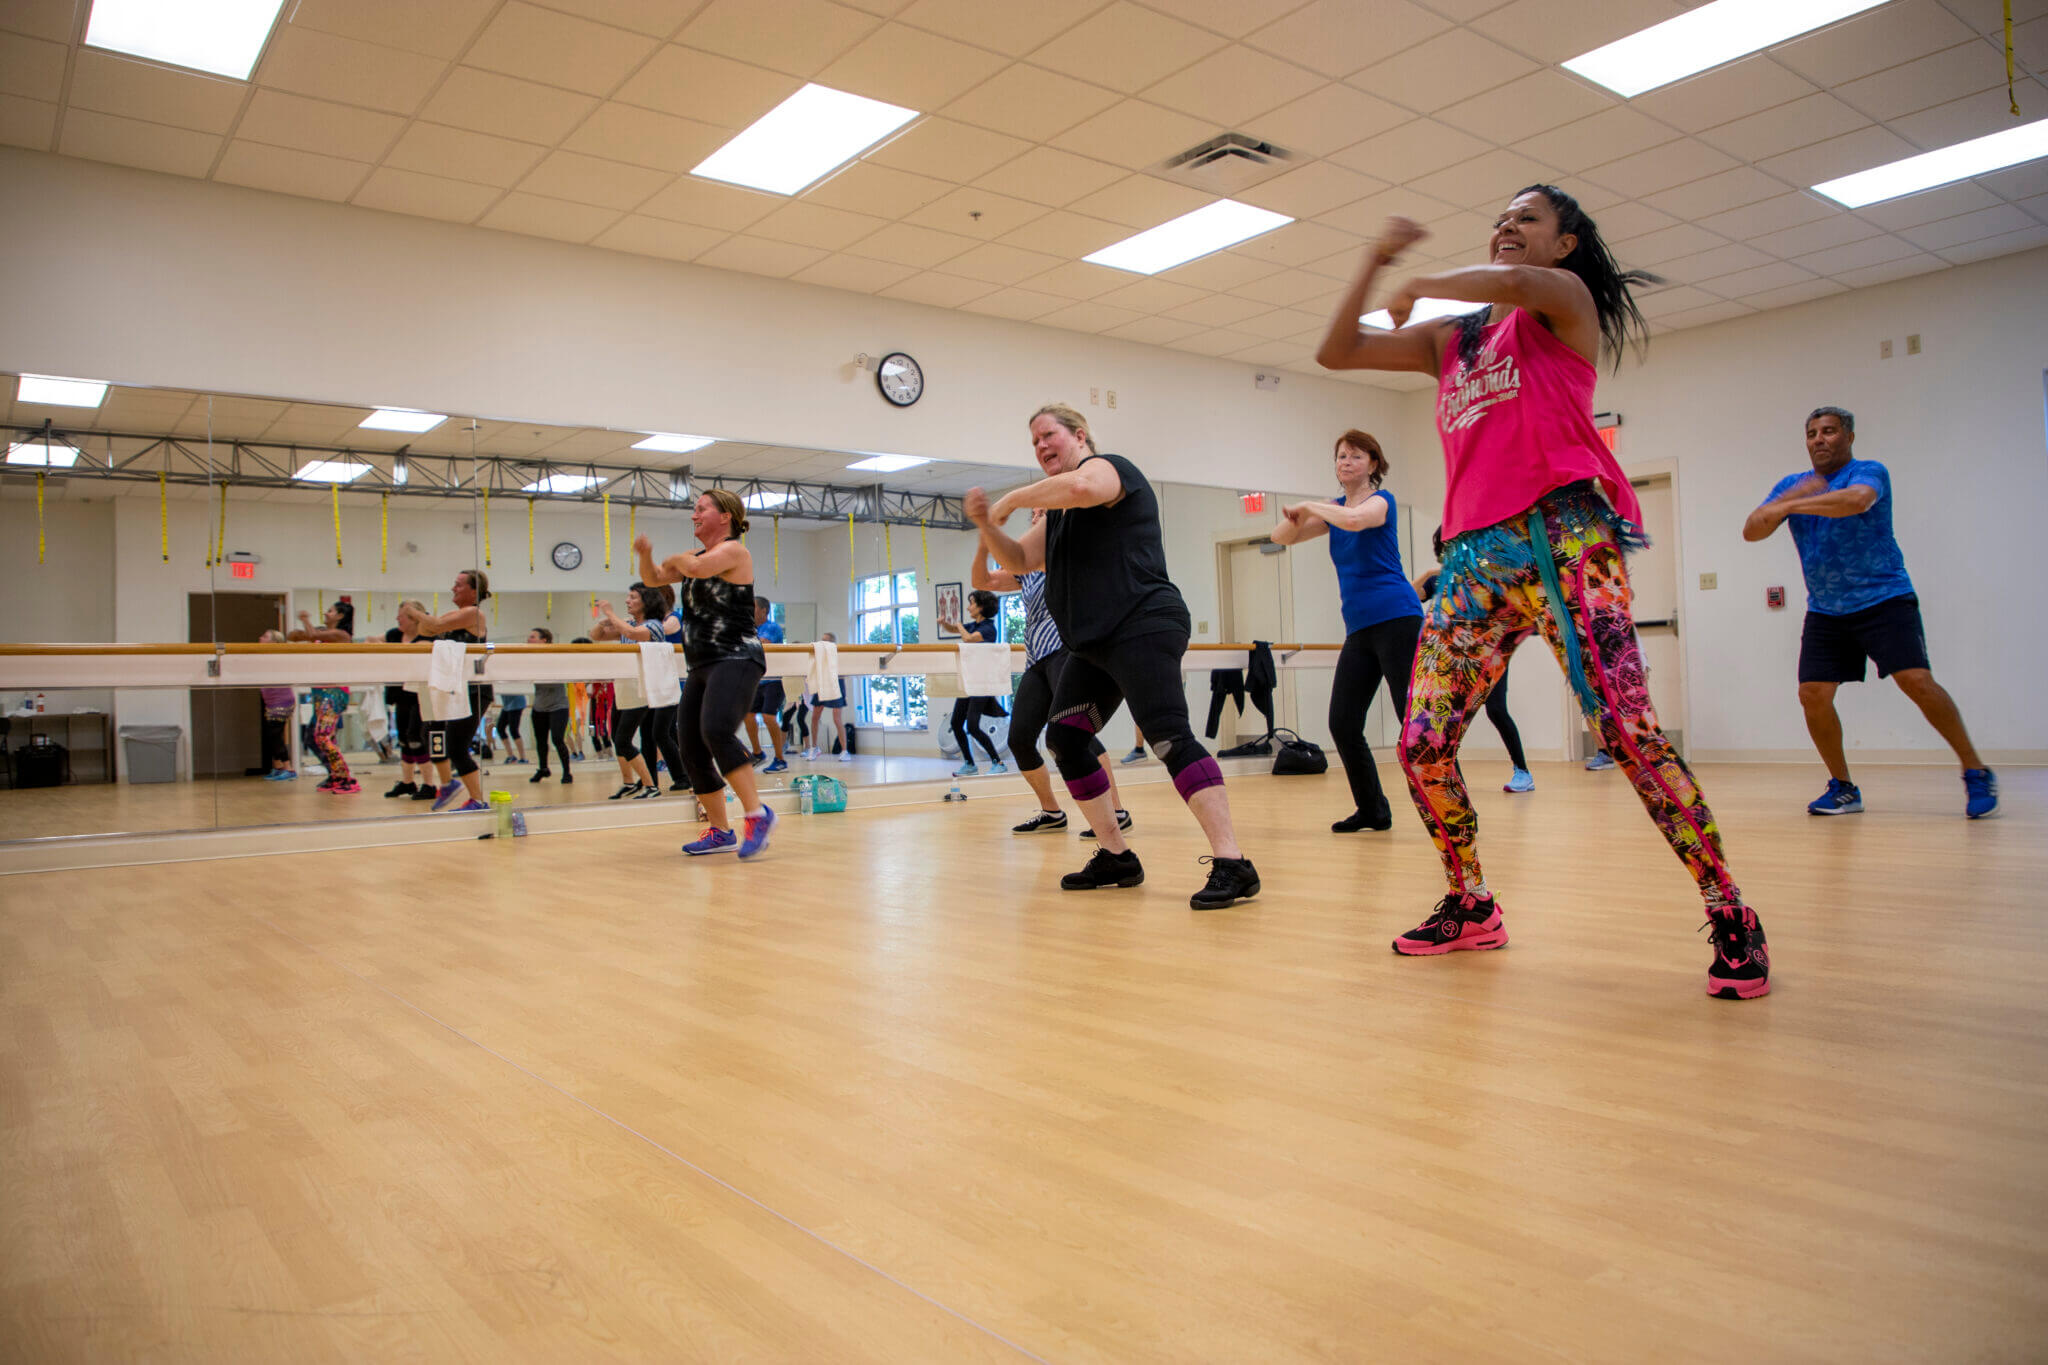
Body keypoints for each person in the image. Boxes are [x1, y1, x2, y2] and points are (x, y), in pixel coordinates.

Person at [1317, 187, 1769, 999]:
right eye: (1500, 218)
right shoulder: (1450, 343)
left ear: (1564, 244)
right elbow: (1336, 350)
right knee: (1420, 746)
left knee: (1627, 733)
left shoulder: (1564, 304)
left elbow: (1519, 287)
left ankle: (1729, 906)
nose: (1507, 227)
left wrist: (1426, 283)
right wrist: (1376, 261)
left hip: (1564, 536)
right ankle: (1471, 901)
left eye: (1527, 219)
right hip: (1471, 560)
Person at [967, 403, 1260, 910]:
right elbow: (1017, 560)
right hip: (1094, 643)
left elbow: (1083, 489)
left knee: (1168, 737)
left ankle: (1233, 862)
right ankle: (1116, 855)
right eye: (1033, 441)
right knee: (1065, 737)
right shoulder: (1056, 518)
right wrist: (984, 526)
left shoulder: (1109, 469)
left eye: (1048, 435)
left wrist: (1011, 498)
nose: (1040, 446)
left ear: (1079, 436)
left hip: (1144, 623)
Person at [1744, 405, 1996, 818]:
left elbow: (1857, 502)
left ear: (1849, 436)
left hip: (1885, 598)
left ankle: (1976, 770)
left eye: (1828, 431)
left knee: (1917, 681)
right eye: (1811, 433)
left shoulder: (1869, 471)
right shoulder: (1791, 486)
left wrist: (1790, 507)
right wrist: (1787, 500)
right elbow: (1752, 529)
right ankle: (1843, 787)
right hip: (1826, 609)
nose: (1819, 439)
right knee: (1813, 694)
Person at [1271, 429, 1424, 832]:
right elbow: (1279, 537)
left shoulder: (1380, 502)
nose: (1345, 462)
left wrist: (1310, 505)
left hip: (1397, 619)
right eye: (1341, 456)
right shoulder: (1333, 511)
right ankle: (1373, 809)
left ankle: (1443, 805)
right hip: (1360, 629)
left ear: (1373, 463)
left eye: (1355, 456)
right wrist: (1298, 517)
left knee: (1414, 723)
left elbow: (1357, 521)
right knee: (1342, 722)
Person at [635, 489, 776, 860]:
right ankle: (719, 830)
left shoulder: (734, 552)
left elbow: (694, 569)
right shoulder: (693, 558)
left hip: (737, 657)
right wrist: (646, 555)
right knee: (690, 745)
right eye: (694, 510)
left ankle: (757, 814)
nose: (694, 515)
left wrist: (677, 558)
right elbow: (652, 580)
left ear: (725, 516)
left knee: (715, 730)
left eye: (701, 509)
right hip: (701, 663)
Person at [971, 514, 1132, 836]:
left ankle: (1116, 811)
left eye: (1042, 513)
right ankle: (1052, 812)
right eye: (1032, 514)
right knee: (1019, 739)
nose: (1034, 518)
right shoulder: (1026, 570)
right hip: (1037, 660)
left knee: (1077, 732)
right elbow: (983, 582)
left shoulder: (1072, 553)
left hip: (1067, 652)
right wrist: (982, 544)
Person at [1415, 556, 1533, 792]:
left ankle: (1522, 771)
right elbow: (1407, 596)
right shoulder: (1441, 580)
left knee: (1497, 710)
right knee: (1448, 717)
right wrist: (1428, 573)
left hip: (1489, 656)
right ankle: (1447, 774)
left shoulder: (1486, 580)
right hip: (1452, 659)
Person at [398, 570, 493, 813]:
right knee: (431, 733)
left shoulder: (474, 613)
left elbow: (436, 625)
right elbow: (428, 630)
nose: (453, 588)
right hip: (453, 688)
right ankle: (450, 784)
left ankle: (477, 800)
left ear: (474, 591)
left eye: (458, 585)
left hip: (473, 690)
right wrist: (414, 618)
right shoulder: (457, 614)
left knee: (457, 746)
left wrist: (414, 612)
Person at [595, 584, 668, 802]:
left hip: (642, 690)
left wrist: (610, 613)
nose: (627, 600)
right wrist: (604, 621)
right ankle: (628, 782)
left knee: (623, 739)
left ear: (646, 602)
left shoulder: (654, 625)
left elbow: (632, 634)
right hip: (624, 688)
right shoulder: (627, 624)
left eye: (633, 597)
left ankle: (650, 785)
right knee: (617, 737)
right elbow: (596, 635)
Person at [938, 587, 1009, 777]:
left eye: (971, 603)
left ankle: (998, 762)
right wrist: (945, 624)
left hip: (982, 683)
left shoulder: (987, 629)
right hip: (970, 682)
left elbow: (969, 639)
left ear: (981, 607)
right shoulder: (975, 625)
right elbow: (955, 630)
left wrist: (960, 625)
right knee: (956, 721)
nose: (969, 607)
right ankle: (969, 764)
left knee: (973, 726)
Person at [291, 598, 358, 795]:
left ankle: (346, 777)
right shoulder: (322, 633)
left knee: (323, 736)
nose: (326, 613)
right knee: (314, 738)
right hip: (320, 691)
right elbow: (295, 636)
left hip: (334, 692)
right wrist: (303, 632)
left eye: (330, 610)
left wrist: (305, 620)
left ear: (340, 616)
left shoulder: (341, 635)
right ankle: (335, 774)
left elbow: (311, 634)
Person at [745, 598, 789, 773]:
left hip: (774, 680)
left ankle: (780, 759)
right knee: (748, 715)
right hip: (757, 679)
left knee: (769, 717)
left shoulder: (772, 627)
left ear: (764, 610)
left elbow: (762, 643)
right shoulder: (750, 629)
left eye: (754, 607)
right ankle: (757, 753)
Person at [526, 628, 573, 785]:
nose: (529, 639)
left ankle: (567, 772)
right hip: (539, 706)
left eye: (532, 637)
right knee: (540, 741)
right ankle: (543, 769)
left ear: (544, 640)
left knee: (557, 739)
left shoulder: (555, 654)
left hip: (558, 706)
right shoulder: (530, 657)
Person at [256, 629, 297, 782]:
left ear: (274, 642)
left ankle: (289, 768)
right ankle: (279, 767)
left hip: (281, 701)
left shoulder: (277, 657)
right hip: (272, 701)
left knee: (275, 735)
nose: (260, 637)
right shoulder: (263, 656)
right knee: (271, 735)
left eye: (265, 636)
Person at [804, 632, 849, 762]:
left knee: (837, 719)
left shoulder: (838, 654)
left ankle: (845, 750)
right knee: (814, 717)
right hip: (822, 684)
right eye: (821, 640)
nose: (822, 643)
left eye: (825, 641)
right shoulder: (818, 655)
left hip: (836, 685)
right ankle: (814, 747)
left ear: (832, 643)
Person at [494, 683, 529, 765]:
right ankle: (511, 756)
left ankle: (523, 758)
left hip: (517, 703)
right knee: (500, 728)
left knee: (513, 730)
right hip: (507, 704)